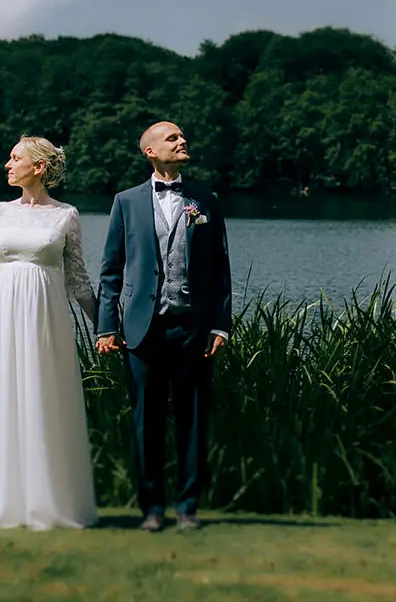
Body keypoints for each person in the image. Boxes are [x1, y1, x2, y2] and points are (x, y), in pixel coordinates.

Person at [96, 121, 232, 532]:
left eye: (182, 136)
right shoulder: (126, 201)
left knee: (192, 420)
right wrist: (106, 327)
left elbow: (221, 268)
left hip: (193, 328)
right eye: (172, 138)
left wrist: (220, 326)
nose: (182, 141)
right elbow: (110, 271)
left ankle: (187, 507)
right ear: (150, 151)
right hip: (142, 330)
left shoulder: (206, 200)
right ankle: (152, 508)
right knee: (145, 422)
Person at [0, 135, 99, 530]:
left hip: (45, 321)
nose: (7, 164)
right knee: (2, 397)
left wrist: (106, 326)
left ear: (38, 167)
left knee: (43, 397)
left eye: (15, 158)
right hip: (0, 318)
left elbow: (78, 281)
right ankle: (0, 498)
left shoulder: (65, 215)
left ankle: (47, 500)